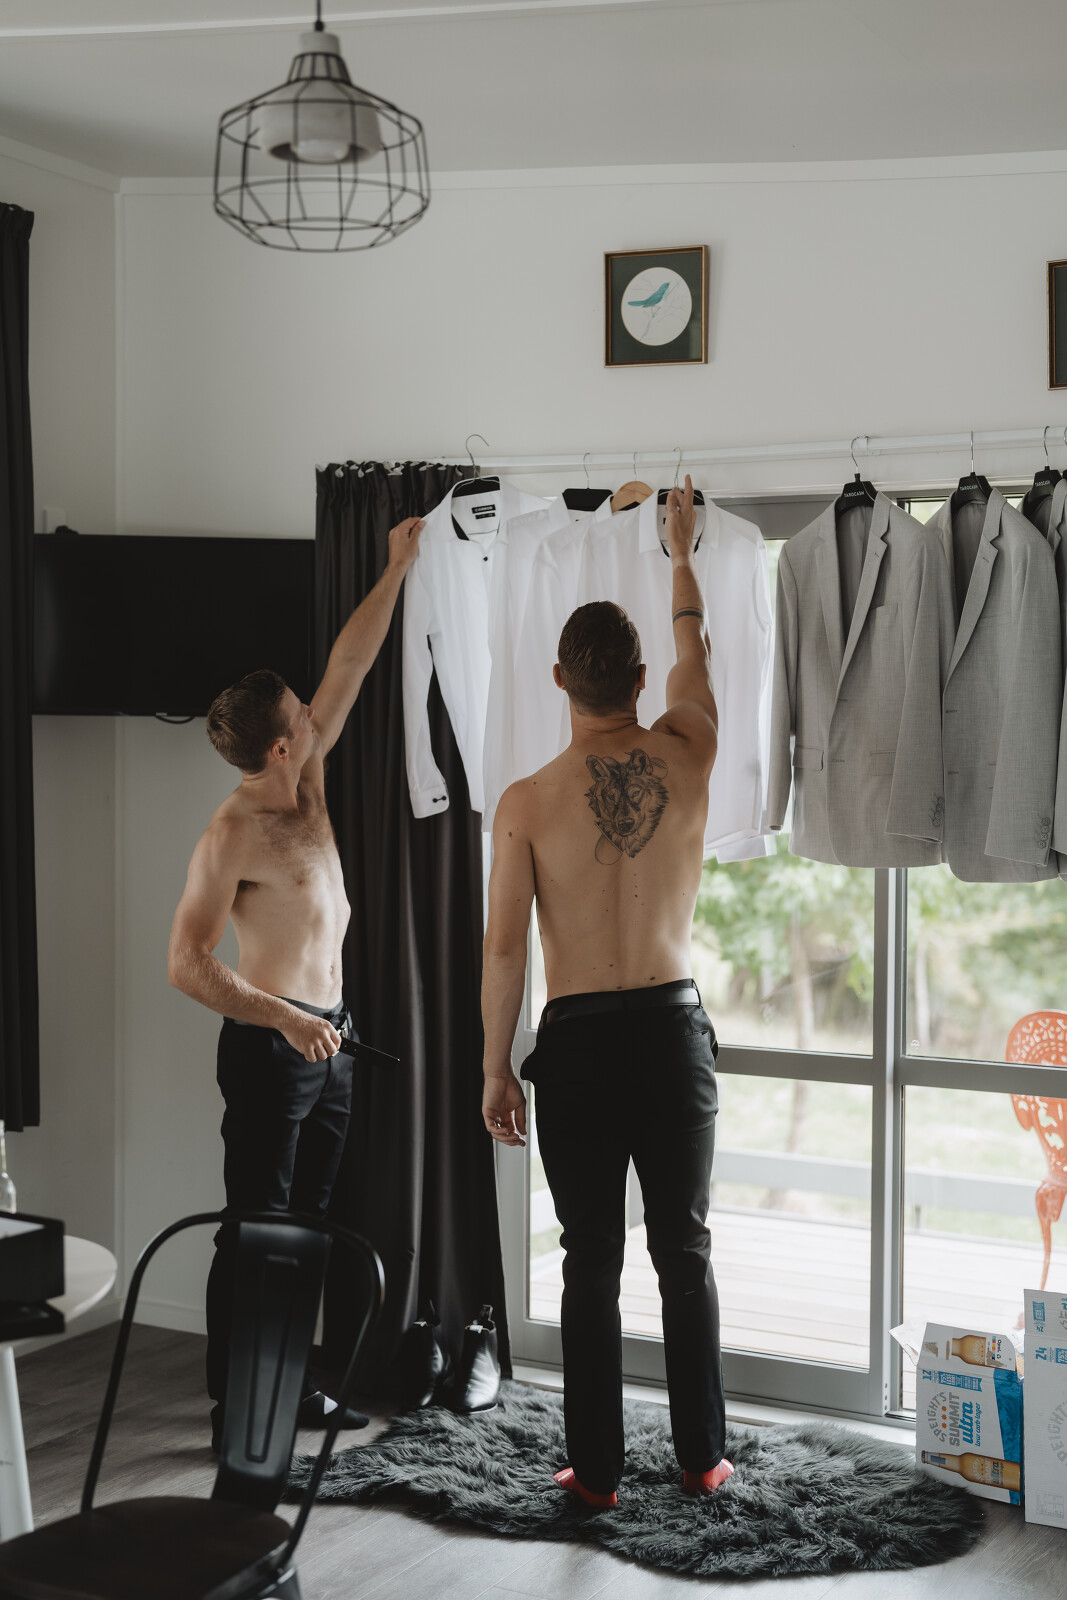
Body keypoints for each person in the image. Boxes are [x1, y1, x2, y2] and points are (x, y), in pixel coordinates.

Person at [480, 476, 732, 1507]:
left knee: (589, 1257)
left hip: (577, 1043)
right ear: (636, 678)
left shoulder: (526, 803)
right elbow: (694, 655)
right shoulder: (689, 750)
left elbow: (503, 950)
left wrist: (493, 1067)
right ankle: (702, 1456)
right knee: (683, 1248)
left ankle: (594, 1475)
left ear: (558, 679)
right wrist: (679, 554)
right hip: (671, 1028)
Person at [168, 515, 423, 1449]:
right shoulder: (230, 835)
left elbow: (348, 667)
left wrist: (396, 566)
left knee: (307, 1223)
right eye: (299, 716)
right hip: (273, 1051)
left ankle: (291, 1386)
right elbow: (186, 963)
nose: (313, 715)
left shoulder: (305, 780)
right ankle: (235, 1406)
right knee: (254, 1227)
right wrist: (283, 1019)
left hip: (331, 1038)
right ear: (278, 747)